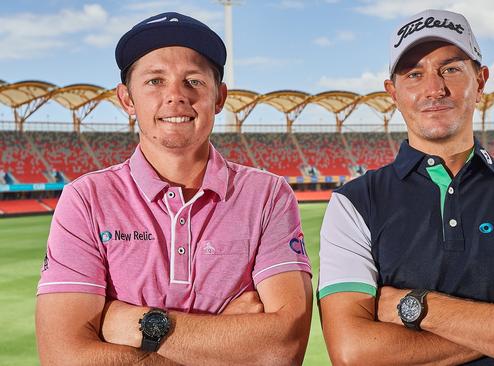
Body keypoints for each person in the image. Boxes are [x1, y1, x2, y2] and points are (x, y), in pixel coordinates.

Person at [35, 12, 312, 365]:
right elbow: (63, 357)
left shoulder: (268, 195)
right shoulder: (85, 199)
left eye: (194, 81)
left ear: (220, 97)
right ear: (127, 99)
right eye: (154, 81)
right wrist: (228, 343)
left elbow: (283, 348)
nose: (176, 96)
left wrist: (130, 325)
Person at [318, 9, 494, 366]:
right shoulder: (353, 203)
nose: (435, 89)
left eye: (451, 69)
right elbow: (353, 353)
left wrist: (413, 307)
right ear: (393, 93)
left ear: (480, 82)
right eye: (414, 74)